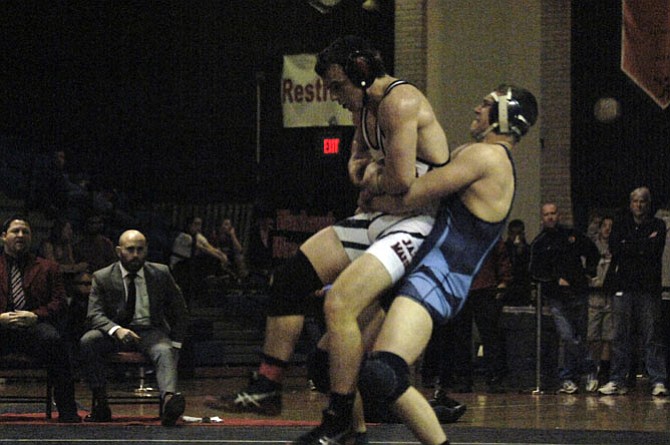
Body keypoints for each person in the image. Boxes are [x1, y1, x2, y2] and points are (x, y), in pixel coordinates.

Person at [207, 34, 449, 437]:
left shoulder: (399, 101)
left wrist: (374, 176)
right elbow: (356, 168)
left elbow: (401, 179)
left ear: (361, 70)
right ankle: (267, 385)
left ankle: (339, 418)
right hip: (380, 218)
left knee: (339, 306)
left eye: (337, 86)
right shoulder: (364, 109)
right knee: (290, 278)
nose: (334, 96)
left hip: (417, 225)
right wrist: (373, 176)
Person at [297, 84, 537, 445]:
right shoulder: (473, 154)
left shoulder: (486, 159)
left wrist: (372, 184)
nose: (476, 109)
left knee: (383, 373)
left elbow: (410, 196)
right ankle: (353, 435)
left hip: (439, 277)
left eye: (486, 105)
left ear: (505, 116)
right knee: (331, 359)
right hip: (417, 269)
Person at [79, 230, 189, 426]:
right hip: (113, 332)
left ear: (146, 250)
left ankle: (169, 404)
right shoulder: (102, 276)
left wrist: (177, 344)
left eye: (140, 249)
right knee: (88, 341)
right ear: (119, 250)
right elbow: (94, 314)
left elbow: (180, 310)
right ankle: (101, 403)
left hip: (150, 331)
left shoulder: (160, 273)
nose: (135, 254)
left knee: (166, 350)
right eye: (130, 250)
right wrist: (116, 330)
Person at [0, 215, 81, 423]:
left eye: (25, 232)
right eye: (15, 231)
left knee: (55, 341)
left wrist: (34, 315)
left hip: (34, 327)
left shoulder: (48, 267)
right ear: (3, 237)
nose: (20, 235)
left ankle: (67, 410)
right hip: (1, 328)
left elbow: (60, 303)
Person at [598, 187, 668, 396]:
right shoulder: (620, 225)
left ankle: (657, 379)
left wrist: (632, 246)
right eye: (635, 201)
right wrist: (641, 245)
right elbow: (617, 249)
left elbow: (653, 250)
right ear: (630, 204)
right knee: (620, 335)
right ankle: (617, 379)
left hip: (648, 288)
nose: (639, 205)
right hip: (624, 287)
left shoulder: (658, 224)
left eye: (643, 201)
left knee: (652, 336)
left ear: (648, 204)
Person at [529, 203, 600, 395]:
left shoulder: (572, 235)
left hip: (578, 292)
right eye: (547, 214)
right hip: (556, 298)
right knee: (567, 336)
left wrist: (589, 272)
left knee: (579, 336)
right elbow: (534, 271)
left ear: (558, 215)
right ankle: (589, 367)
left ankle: (569, 376)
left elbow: (593, 251)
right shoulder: (539, 243)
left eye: (553, 213)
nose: (551, 217)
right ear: (542, 218)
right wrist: (554, 280)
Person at [170, 216, 228, 305]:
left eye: (200, 224)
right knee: (207, 258)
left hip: (191, 262)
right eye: (196, 224)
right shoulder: (184, 236)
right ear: (189, 225)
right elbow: (203, 249)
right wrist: (219, 258)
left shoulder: (198, 236)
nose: (198, 227)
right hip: (180, 264)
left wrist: (222, 255)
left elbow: (209, 247)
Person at [586, 216, 614, 391]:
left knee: (608, 338)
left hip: (610, 297)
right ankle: (591, 371)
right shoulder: (593, 246)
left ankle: (604, 372)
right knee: (592, 337)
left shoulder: (617, 246)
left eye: (611, 226)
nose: (607, 230)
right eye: (605, 226)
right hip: (595, 297)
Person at [503, 219, 532, 305]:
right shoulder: (504, 249)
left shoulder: (528, 249)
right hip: (507, 289)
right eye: (513, 233)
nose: (516, 236)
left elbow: (527, 268)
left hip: (522, 288)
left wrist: (521, 253)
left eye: (518, 233)